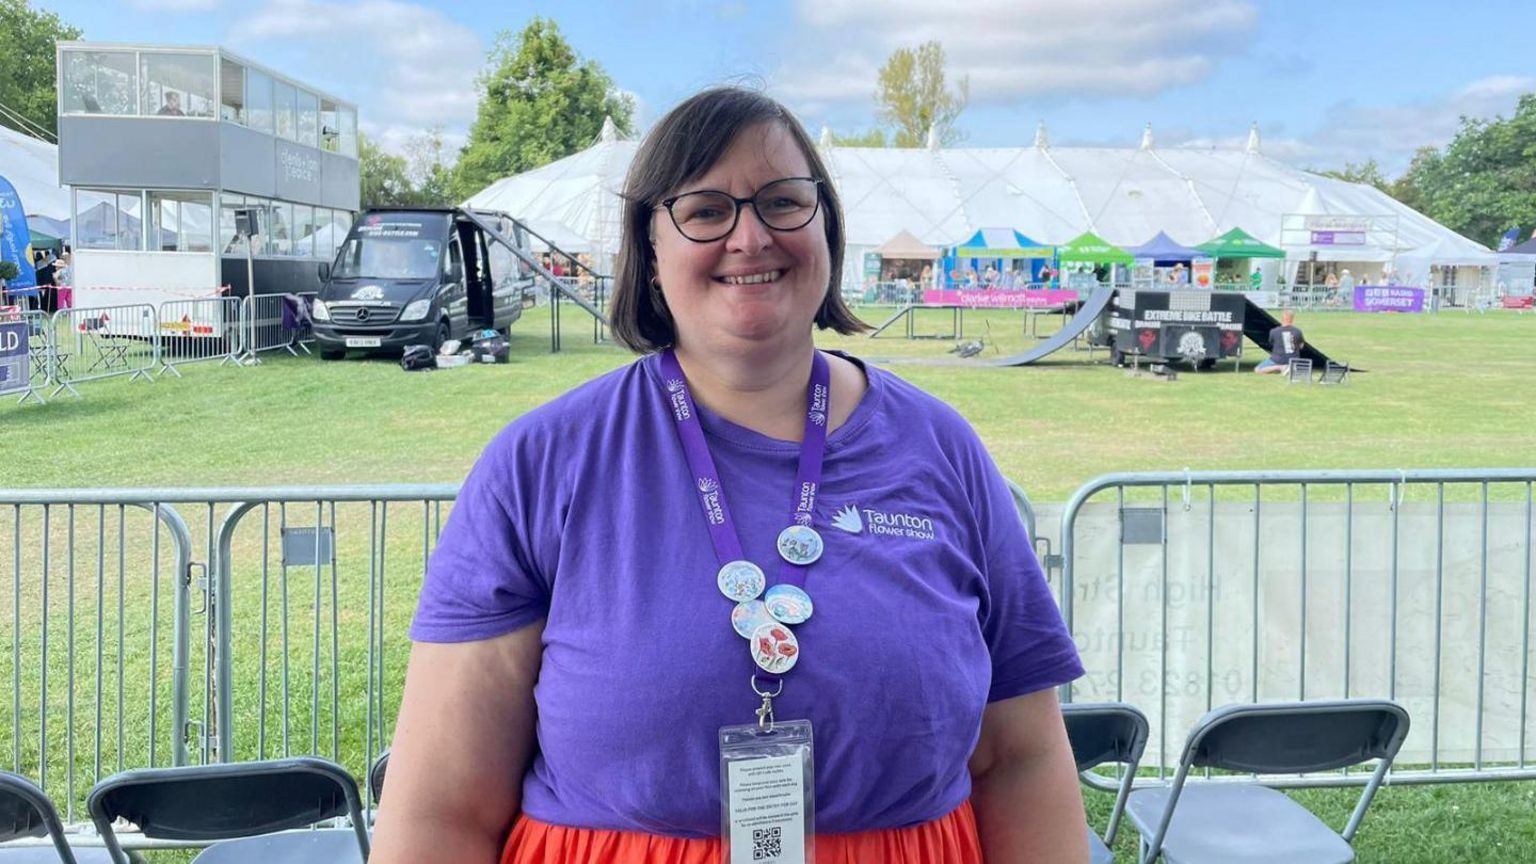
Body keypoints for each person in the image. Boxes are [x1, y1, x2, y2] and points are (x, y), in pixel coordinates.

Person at [371, 87, 1088, 864]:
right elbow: (440, 811)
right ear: (650, 254)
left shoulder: (941, 451)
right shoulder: (540, 464)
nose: (750, 237)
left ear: (827, 231)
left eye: (783, 202)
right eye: (706, 210)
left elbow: (1022, 760)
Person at [1256, 309, 1304, 374]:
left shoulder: (1274, 331)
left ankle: (1280, 367)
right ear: (1292, 319)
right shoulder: (1298, 331)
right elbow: (1301, 346)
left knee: (1258, 369)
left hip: (1277, 360)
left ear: (1282, 319)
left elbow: (1271, 343)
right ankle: (1289, 367)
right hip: (1293, 360)